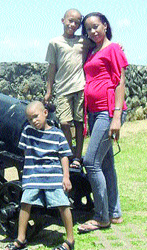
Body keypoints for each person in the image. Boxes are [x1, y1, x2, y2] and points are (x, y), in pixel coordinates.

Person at [77, 12, 128, 233]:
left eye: (96, 26)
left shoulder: (113, 49)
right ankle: (114, 212)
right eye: (88, 29)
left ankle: (101, 216)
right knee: (106, 164)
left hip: (108, 112)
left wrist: (116, 116)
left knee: (91, 162)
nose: (93, 31)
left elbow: (119, 82)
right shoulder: (92, 51)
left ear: (105, 26)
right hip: (95, 112)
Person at [4, 101, 75, 250]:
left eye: (35, 117)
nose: (33, 121)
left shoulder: (57, 134)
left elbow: (64, 156)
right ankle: (21, 238)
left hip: (53, 174)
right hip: (34, 175)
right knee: (25, 203)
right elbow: (25, 152)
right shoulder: (28, 132)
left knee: (63, 204)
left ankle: (70, 239)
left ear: (45, 113)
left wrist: (66, 176)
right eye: (30, 119)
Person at [44, 9, 94, 170]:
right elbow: (52, 68)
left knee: (79, 123)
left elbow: (100, 43)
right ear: (63, 20)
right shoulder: (55, 43)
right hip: (63, 88)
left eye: (77, 22)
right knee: (64, 123)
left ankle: (78, 157)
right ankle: (70, 152)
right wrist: (49, 90)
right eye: (70, 21)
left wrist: (116, 45)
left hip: (80, 87)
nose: (73, 25)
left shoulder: (84, 42)